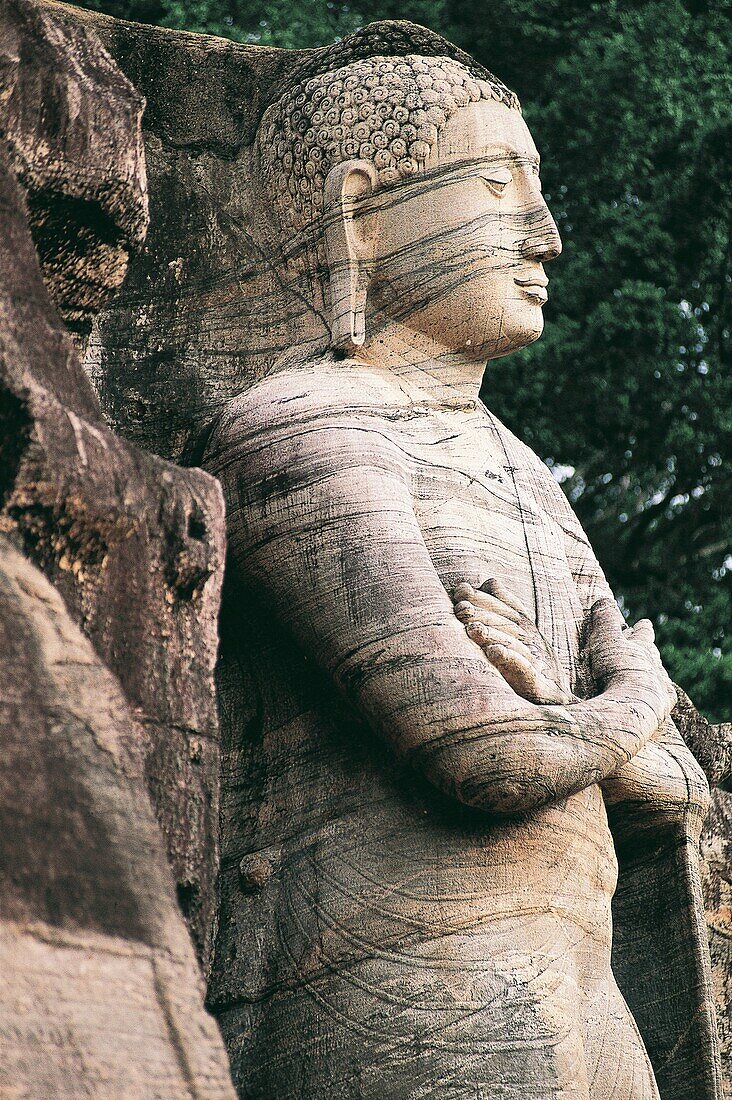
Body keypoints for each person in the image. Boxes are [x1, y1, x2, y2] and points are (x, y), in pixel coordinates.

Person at [204, 23, 721, 1098]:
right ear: (360, 210)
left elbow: (673, 788)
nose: (549, 235)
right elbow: (482, 757)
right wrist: (628, 695)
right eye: (498, 186)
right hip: (405, 975)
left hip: (588, 988)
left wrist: (567, 715)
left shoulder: (525, 469)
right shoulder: (300, 432)